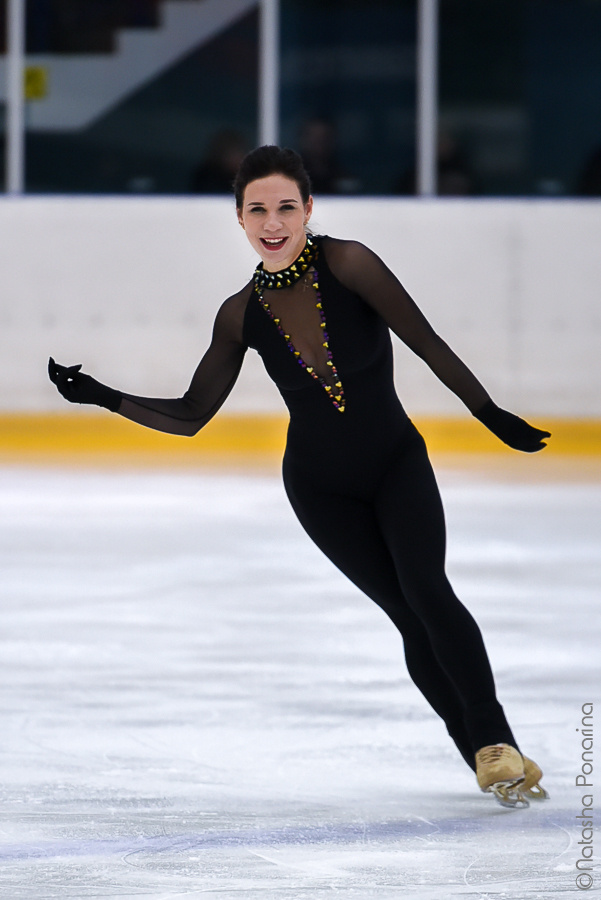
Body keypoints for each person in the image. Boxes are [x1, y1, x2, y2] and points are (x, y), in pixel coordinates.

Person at [49, 145, 551, 809]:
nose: (272, 220)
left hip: (396, 463)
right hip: (319, 489)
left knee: (428, 590)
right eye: (257, 209)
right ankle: (491, 761)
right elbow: (193, 415)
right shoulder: (240, 314)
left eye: (286, 205)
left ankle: (493, 741)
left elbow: (425, 341)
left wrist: (487, 412)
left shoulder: (351, 264)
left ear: (308, 209)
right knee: (406, 615)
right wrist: (103, 396)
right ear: (239, 219)